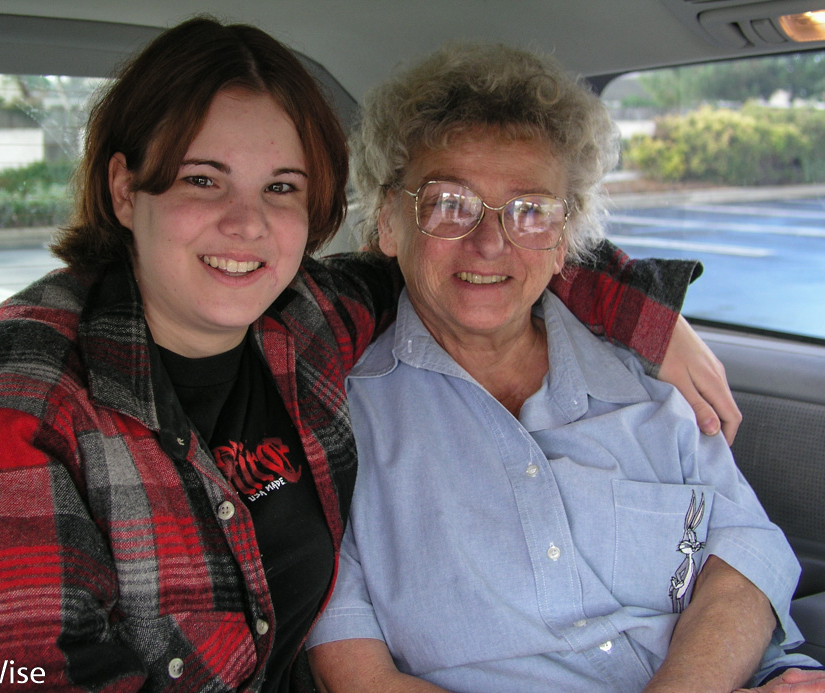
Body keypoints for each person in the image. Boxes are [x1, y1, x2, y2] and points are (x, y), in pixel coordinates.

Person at [0, 18, 737, 693]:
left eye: (280, 188)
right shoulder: (22, 386)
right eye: (202, 179)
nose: (246, 224)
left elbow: (477, 255)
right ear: (125, 188)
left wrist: (651, 318)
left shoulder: (304, 321)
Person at [306, 43, 824, 692]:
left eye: (529, 210)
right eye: (449, 202)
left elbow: (744, 556)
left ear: (563, 243)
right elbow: (358, 677)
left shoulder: (649, 382)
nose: (490, 242)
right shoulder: (338, 427)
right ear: (387, 221)